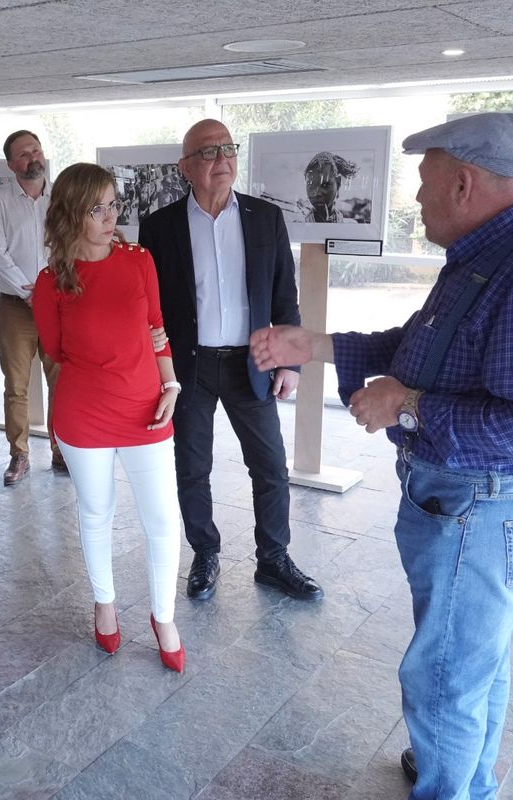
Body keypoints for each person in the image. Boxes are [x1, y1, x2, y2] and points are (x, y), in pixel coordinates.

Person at [250, 112, 513, 800]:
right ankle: (463, 769)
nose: (416, 199)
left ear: (465, 183)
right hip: (467, 505)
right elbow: (421, 345)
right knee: (472, 660)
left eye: (425, 183)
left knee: (445, 673)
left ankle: (452, 784)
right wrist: (315, 346)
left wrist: (405, 405)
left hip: (484, 508)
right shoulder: (488, 255)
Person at [138, 119, 322, 603]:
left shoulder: (265, 218)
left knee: (270, 466)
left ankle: (274, 559)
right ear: (185, 168)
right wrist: (159, 375)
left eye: (228, 149)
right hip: (190, 368)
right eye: (207, 151)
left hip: (253, 364)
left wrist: (290, 362)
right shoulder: (159, 227)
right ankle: (205, 552)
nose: (222, 159)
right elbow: (149, 309)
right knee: (192, 466)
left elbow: (285, 295)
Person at [31, 163, 185, 672]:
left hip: (146, 409)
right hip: (84, 414)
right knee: (96, 512)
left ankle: (163, 616)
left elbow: (157, 328)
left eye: (113, 204)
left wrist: (170, 383)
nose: (109, 216)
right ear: (71, 214)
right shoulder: (50, 281)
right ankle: (105, 603)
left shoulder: (139, 260)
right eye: (96, 208)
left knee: (163, 518)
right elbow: (54, 351)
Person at [0, 130, 65, 484]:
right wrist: (32, 292)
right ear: (11, 164)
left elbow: (71, 246)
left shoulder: (61, 199)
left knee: (61, 381)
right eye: (23, 154)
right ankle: (19, 455)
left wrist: (51, 292)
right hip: (15, 307)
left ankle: (62, 449)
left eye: (36, 150)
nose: (33, 158)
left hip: (58, 304)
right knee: (16, 385)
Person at [299, 151, 360, 223]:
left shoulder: (350, 225)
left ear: (338, 185)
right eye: (311, 185)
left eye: (325, 185)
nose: (317, 193)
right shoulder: (300, 225)